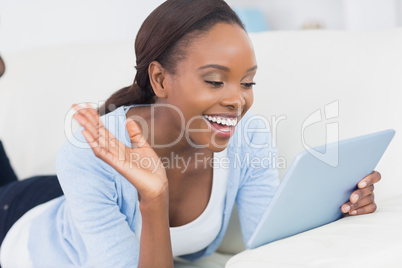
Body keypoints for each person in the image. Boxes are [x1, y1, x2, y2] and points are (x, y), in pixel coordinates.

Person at [0, 0, 381, 267]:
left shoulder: (248, 139)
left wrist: (340, 207)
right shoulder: (86, 154)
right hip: (20, 218)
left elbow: (270, 242)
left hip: (74, 197)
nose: (238, 101)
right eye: (215, 81)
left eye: (248, 83)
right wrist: (153, 198)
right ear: (160, 79)